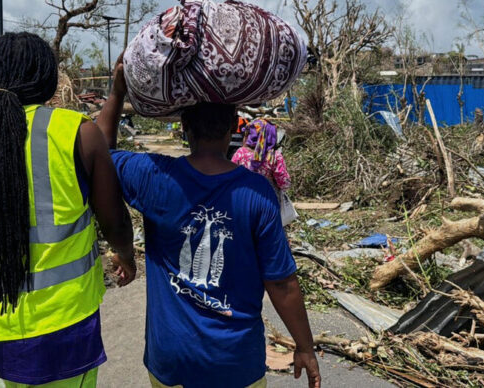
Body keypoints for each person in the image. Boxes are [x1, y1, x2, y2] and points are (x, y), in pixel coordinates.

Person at [0, 33, 136, 388]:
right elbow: (115, 221)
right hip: (65, 323)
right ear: (49, 80)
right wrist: (126, 256)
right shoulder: (74, 131)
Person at [98, 58, 321, 388]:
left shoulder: (153, 176)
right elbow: (282, 284)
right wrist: (304, 347)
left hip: (170, 358)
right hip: (234, 362)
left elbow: (98, 156)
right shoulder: (255, 191)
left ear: (184, 126)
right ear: (234, 125)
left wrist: (117, 91)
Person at [231, 119, 296, 226]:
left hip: (244, 201)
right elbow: (285, 183)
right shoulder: (274, 156)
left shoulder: (240, 153)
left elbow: (231, 178)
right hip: (269, 202)